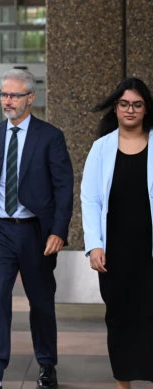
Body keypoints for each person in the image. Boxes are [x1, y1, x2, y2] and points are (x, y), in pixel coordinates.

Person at [0, 69, 73, 389]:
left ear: (30, 98)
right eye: (3, 94)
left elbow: (64, 187)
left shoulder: (50, 136)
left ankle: (47, 366)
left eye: (13, 95)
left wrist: (59, 230)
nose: (7, 101)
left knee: (40, 301)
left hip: (35, 233)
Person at [81, 77, 153, 389]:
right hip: (115, 252)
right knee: (119, 317)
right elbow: (90, 199)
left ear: (146, 108)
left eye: (137, 104)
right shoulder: (101, 148)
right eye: (124, 104)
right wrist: (94, 245)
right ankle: (123, 383)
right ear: (116, 107)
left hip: (149, 250)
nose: (130, 109)